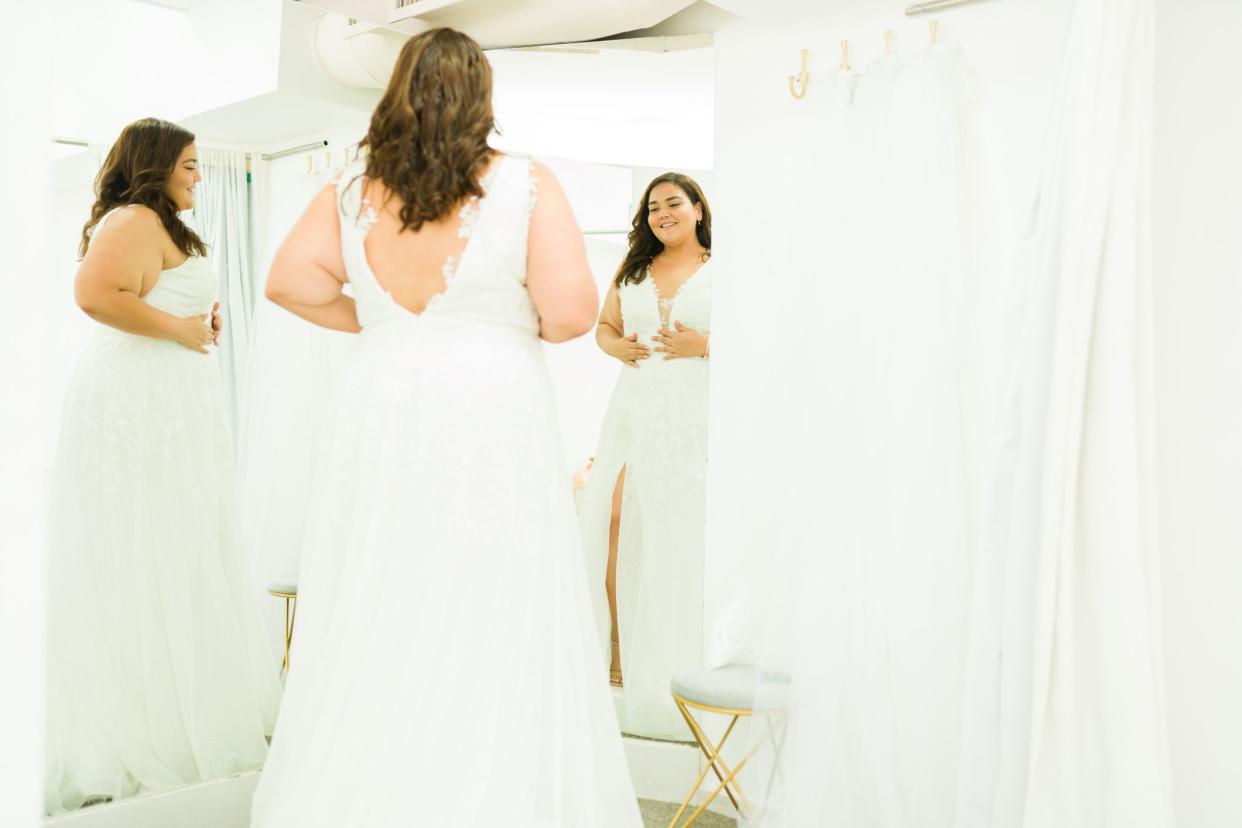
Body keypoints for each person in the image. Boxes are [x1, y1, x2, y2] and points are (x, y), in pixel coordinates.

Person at [250, 28, 641, 826]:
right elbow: (570, 316)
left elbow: (289, 283)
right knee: (491, 589)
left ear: (396, 91)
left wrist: (382, 323)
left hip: (383, 396)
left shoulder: (349, 188)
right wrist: (488, 319)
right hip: (489, 399)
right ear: (482, 98)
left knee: (380, 586)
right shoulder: (527, 182)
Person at [45, 117, 280, 814]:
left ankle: (185, 711)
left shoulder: (162, 224)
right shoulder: (135, 219)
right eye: (188, 165)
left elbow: (153, 298)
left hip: (171, 402)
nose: (198, 176)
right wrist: (179, 329)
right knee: (143, 548)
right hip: (137, 405)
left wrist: (192, 324)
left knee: (180, 547)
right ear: (154, 166)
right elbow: (95, 296)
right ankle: (141, 726)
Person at [580, 172, 713, 740]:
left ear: (699, 209)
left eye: (674, 203)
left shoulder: (726, 268)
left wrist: (704, 345)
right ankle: (634, 674)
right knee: (624, 525)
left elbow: (767, 342)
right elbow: (603, 328)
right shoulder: (632, 269)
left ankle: (693, 678)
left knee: (688, 535)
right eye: (654, 206)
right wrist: (619, 346)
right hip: (636, 410)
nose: (662, 214)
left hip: (698, 413)